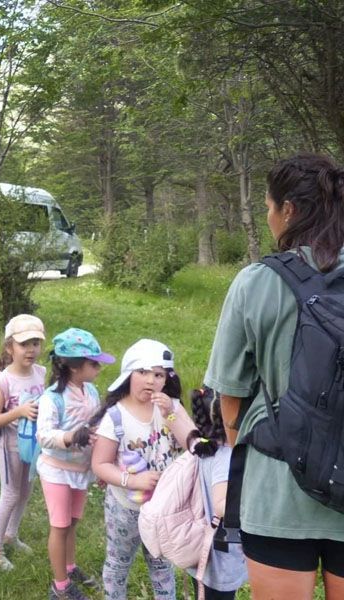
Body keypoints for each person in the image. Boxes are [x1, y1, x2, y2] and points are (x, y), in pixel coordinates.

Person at [205, 154, 344, 599]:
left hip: (276, 486)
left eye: (268, 206)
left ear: (289, 211)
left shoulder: (255, 282)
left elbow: (229, 392)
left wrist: (237, 443)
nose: (268, 217)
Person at [90, 339, 195, 600]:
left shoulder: (170, 407)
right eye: (143, 372)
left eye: (158, 374)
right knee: (118, 564)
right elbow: (100, 465)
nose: (150, 381)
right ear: (128, 374)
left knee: (161, 564)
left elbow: (193, 444)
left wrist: (171, 412)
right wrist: (132, 480)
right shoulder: (116, 417)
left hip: (164, 508)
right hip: (125, 509)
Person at [38, 328, 115, 600]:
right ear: (73, 367)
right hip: (57, 471)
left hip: (82, 470)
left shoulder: (91, 391)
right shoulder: (52, 398)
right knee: (59, 526)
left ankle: (70, 568)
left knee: (71, 522)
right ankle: (60, 587)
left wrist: (102, 465)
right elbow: (44, 435)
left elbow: (97, 428)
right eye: (94, 363)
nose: (99, 368)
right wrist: (71, 437)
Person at [0, 314, 47, 571]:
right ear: (10, 347)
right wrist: (19, 412)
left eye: (36, 343)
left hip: (34, 447)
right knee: (10, 494)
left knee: (25, 492)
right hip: (10, 446)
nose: (31, 349)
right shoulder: (4, 380)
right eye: (25, 344)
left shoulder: (41, 373)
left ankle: (12, 535)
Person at [183, 388, 247, 600]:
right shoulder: (226, 457)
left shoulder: (203, 446)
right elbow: (221, 505)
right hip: (221, 556)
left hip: (200, 549)